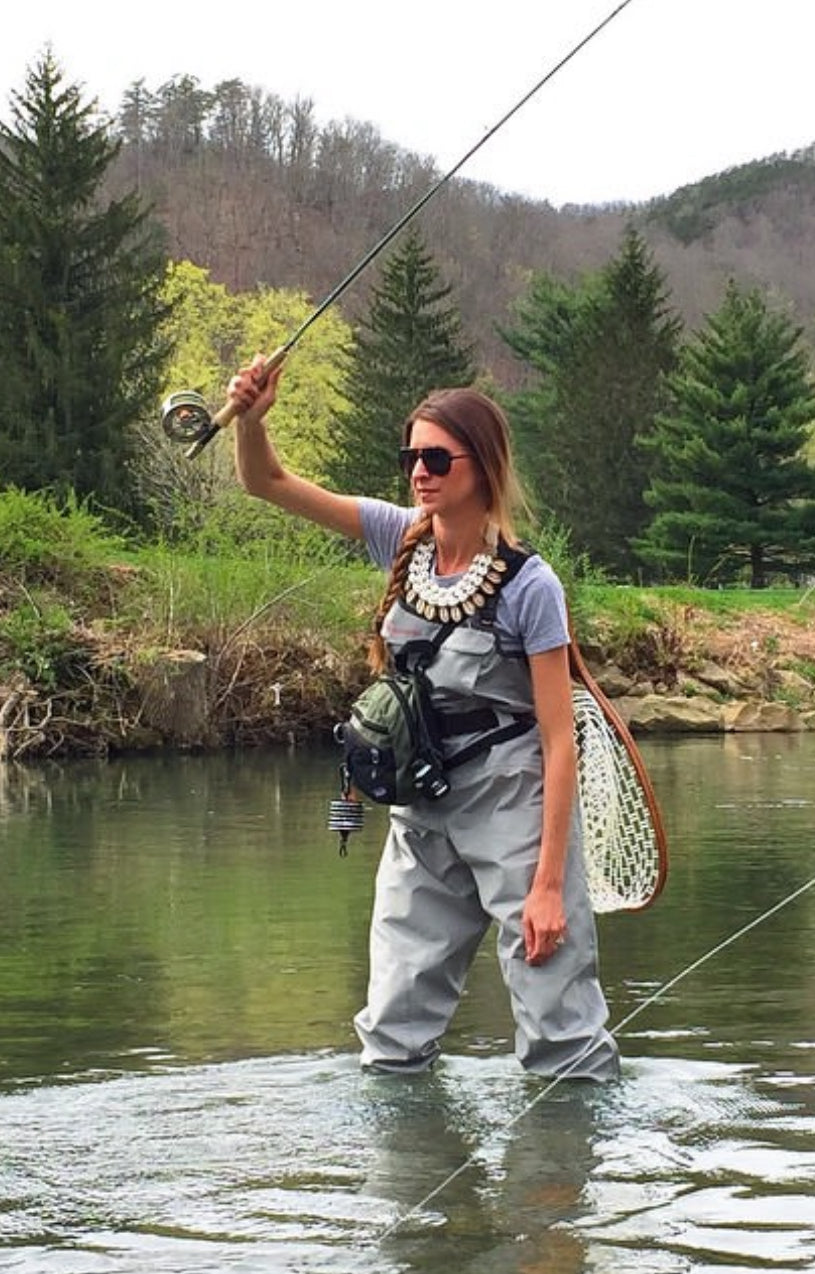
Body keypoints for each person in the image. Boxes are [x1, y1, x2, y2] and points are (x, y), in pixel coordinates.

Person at [227, 355, 620, 1082]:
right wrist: (252, 420)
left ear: (484, 465)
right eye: (410, 455)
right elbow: (266, 483)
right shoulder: (396, 536)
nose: (419, 472)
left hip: (515, 806)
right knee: (391, 1031)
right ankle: (412, 1186)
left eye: (437, 457)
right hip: (421, 807)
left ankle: (560, 1182)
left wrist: (546, 884)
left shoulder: (531, 586)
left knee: (560, 1033)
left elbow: (562, 743)